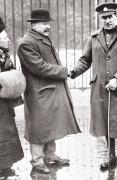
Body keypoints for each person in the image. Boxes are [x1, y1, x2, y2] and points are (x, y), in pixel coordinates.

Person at [69, 2, 117, 176]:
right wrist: (74, 71)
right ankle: (112, 158)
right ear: (100, 19)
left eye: (110, 17)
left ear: (116, 16)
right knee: (106, 123)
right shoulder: (94, 37)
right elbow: (85, 60)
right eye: (104, 18)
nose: (107, 20)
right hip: (101, 88)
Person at [17, 8, 80, 174]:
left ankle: (50, 155)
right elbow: (39, 67)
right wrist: (63, 71)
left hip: (48, 90)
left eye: (48, 23)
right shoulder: (27, 43)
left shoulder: (40, 38)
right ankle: (37, 161)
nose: (48, 27)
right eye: (44, 23)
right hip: (38, 92)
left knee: (49, 125)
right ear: (34, 25)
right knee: (39, 128)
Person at [0, 17, 24, 177]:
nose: (7, 37)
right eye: (3, 34)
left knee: (6, 133)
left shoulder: (3, 52)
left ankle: (5, 166)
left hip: (4, 102)